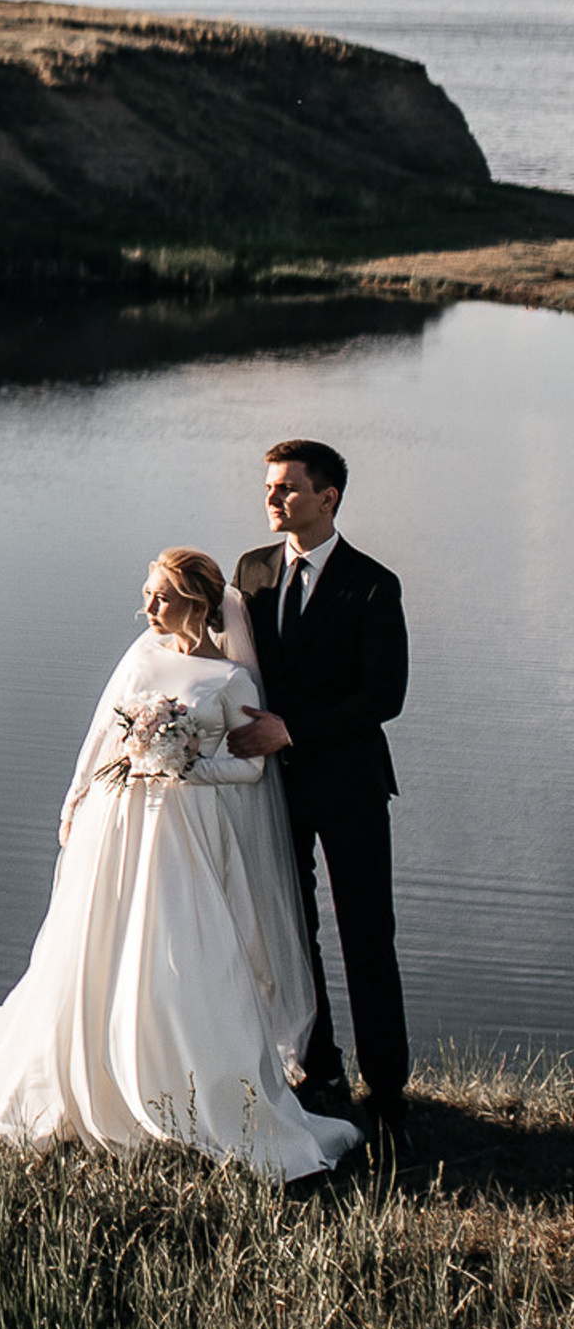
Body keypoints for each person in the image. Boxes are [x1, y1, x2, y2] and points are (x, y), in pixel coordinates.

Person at [0, 547, 360, 1179]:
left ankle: (181, 1082)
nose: (146, 607)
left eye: (160, 597)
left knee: (180, 949)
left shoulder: (230, 680)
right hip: (115, 825)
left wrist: (188, 769)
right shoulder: (141, 654)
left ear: (196, 603)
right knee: (96, 942)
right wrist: (75, 798)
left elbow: (251, 768)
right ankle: (92, 1068)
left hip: (183, 834)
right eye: (146, 593)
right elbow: (98, 737)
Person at [225, 438, 411, 1158]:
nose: (273, 499)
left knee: (368, 934)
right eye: (270, 487)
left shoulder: (373, 584)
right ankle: (319, 1068)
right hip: (275, 788)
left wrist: (291, 730)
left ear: (327, 498)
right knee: (291, 933)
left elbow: (383, 697)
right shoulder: (251, 570)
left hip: (351, 784)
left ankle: (388, 1091)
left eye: (287, 489)